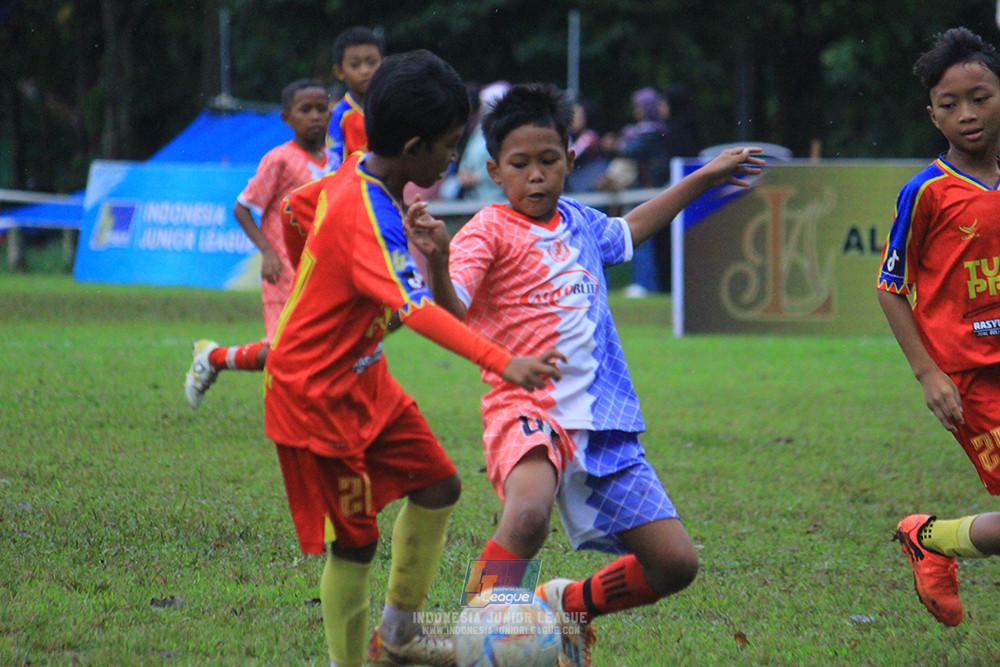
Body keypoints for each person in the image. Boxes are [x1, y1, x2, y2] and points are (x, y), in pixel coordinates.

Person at [406, 83, 762, 664]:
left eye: (549, 161)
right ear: (495, 170)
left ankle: (566, 606)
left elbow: (634, 226)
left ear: (571, 160)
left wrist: (705, 177)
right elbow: (451, 312)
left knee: (675, 564)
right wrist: (440, 261)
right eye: (520, 165)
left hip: (604, 421)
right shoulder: (486, 230)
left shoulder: (582, 223)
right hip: (525, 408)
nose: (537, 176)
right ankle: (469, 642)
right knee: (526, 514)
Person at [262, 52, 564, 667]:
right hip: (316, 396)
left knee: (439, 485)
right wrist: (505, 361)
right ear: (415, 145)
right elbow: (422, 311)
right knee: (355, 543)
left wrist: (321, 288)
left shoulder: (362, 176)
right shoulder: (367, 212)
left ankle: (398, 635)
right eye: (449, 147)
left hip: (364, 376)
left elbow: (298, 212)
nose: (452, 161)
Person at [878, 26, 1000, 628]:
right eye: (950, 106)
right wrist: (928, 373)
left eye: (981, 97)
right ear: (933, 116)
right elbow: (890, 286)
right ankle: (933, 539)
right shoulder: (926, 192)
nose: (968, 115)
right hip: (971, 378)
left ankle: (933, 540)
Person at [184, 79, 334, 409]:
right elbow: (242, 207)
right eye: (304, 110)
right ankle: (214, 358)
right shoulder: (279, 159)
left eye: (321, 109)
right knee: (280, 353)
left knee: (316, 348)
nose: (315, 116)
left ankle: (219, 359)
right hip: (283, 270)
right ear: (286, 118)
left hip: (318, 273)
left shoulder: (334, 162)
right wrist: (267, 251)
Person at [328, 26, 384, 163]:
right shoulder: (340, 114)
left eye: (372, 63)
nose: (365, 71)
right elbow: (334, 164)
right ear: (339, 72)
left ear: (384, 63)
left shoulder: (393, 107)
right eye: (354, 65)